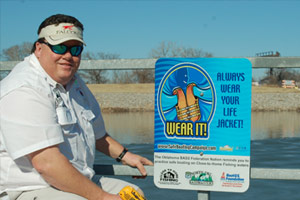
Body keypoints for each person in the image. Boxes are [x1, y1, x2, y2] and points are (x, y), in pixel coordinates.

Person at [0, 14, 153, 200]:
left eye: (75, 49)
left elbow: (98, 134)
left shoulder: (75, 83)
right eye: (59, 47)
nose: (68, 56)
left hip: (75, 179)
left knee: (134, 195)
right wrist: (103, 197)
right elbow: (46, 164)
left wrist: (126, 155)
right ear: (39, 48)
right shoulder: (24, 89)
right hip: (30, 187)